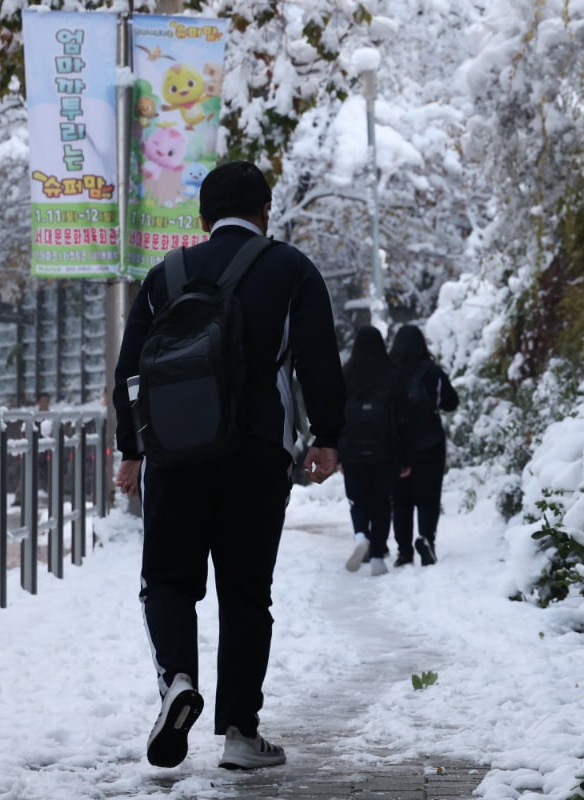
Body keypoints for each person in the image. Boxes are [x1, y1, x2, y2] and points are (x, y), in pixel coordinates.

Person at [111, 161, 345, 771]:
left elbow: (130, 372)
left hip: (174, 456)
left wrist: (132, 451)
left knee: (167, 581)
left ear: (202, 219)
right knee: (245, 593)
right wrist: (328, 437)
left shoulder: (166, 275)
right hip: (256, 457)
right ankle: (241, 733)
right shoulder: (290, 269)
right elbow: (319, 360)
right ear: (266, 211)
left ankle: (178, 683)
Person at [339, 325, 411, 577]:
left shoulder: (347, 374)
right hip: (386, 451)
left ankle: (361, 535)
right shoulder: (392, 374)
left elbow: (336, 415)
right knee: (382, 503)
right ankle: (378, 556)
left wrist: (338, 451)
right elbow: (403, 419)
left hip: (353, 451)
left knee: (358, 500)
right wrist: (405, 456)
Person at [388, 325, 458, 566]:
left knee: (401, 501)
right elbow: (451, 402)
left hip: (396, 444)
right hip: (430, 442)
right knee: (428, 497)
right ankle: (427, 538)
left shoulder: (388, 372)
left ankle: (404, 551)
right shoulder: (433, 372)